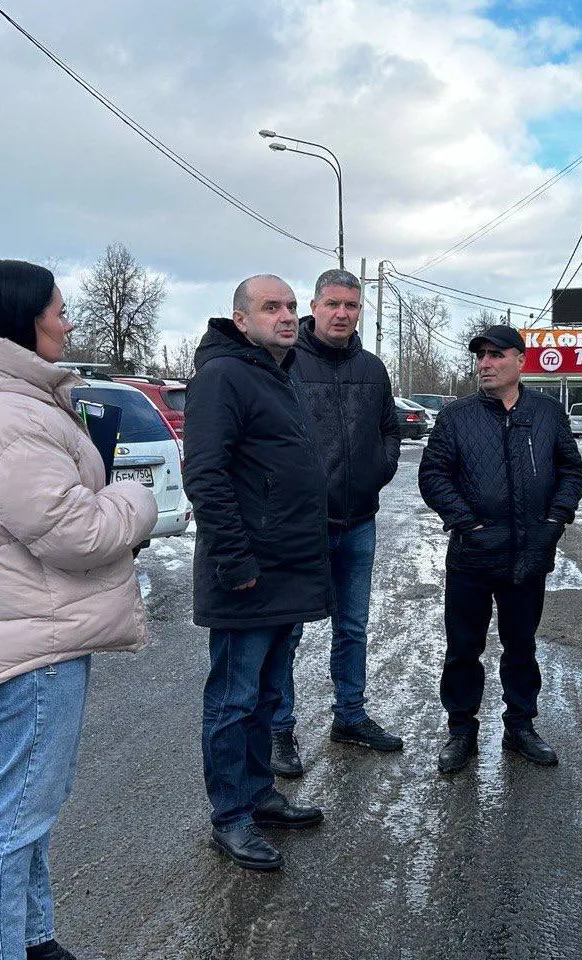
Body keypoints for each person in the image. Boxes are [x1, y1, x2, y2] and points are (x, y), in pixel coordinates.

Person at [0, 259, 158, 960]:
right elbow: (74, 534)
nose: (68, 318)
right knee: (15, 819)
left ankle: (33, 938)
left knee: (26, 810)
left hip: (30, 631)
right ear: (23, 319)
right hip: (36, 645)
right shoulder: (8, 416)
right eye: (58, 308)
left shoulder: (6, 403)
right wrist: (133, 502)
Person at [184, 274, 331, 871]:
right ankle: (231, 817)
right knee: (234, 699)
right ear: (240, 319)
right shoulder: (222, 375)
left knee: (268, 696)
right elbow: (206, 474)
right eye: (272, 307)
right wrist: (235, 558)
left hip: (289, 568)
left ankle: (259, 795)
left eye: (293, 306)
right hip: (248, 571)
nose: (288, 315)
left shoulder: (279, 372)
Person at [417, 325, 582, 776]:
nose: (485, 364)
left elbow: (571, 470)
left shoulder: (547, 413)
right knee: (463, 648)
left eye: (495, 355)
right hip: (472, 554)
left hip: (528, 555)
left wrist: (554, 521)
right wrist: (467, 523)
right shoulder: (458, 417)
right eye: (480, 357)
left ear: (519, 361)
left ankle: (520, 726)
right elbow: (434, 476)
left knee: (521, 645)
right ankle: (461, 730)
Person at [268, 268, 404, 779]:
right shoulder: (286, 361)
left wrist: (378, 469)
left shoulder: (373, 368)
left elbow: (389, 430)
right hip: (304, 524)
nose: (342, 313)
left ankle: (350, 715)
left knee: (352, 627)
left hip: (359, 519)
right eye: (333, 304)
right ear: (314, 305)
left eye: (351, 305)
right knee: (290, 630)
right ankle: (280, 728)